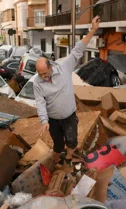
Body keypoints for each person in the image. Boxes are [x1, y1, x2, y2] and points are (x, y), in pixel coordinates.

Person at [33, 16, 101, 167]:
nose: (43, 77)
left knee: (72, 140)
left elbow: (78, 50)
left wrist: (93, 30)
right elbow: (40, 102)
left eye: (45, 73)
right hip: (53, 119)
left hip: (69, 116)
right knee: (58, 144)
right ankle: (57, 160)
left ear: (50, 67)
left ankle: (69, 158)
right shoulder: (37, 83)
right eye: (40, 74)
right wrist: (44, 121)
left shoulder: (64, 67)